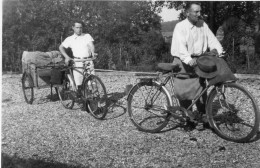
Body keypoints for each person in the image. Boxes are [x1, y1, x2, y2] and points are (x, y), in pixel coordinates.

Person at [171, 2, 223, 130]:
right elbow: (181, 47)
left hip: (198, 61)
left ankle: (201, 118)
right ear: (187, 13)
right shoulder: (180, 27)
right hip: (182, 61)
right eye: (196, 12)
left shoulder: (202, 25)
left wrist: (219, 52)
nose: (199, 14)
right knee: (183, 92)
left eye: (200, 11)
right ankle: (187, 119)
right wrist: (189, 60)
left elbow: (212, 40)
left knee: (201, 90)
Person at [59, 20, 95, 90]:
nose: (79, 29)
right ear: (73, 28)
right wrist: (67, 57)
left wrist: (93, 52)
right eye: (77, 27)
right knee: (79, 83)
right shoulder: (70, 39)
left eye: (81, 27)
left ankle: (95, 97)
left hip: (88, 61)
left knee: (93, 81)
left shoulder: (87, 36)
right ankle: (81, 97)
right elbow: (61, 47)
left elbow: (91, 45)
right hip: (77, 62)